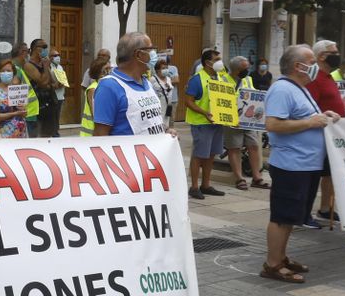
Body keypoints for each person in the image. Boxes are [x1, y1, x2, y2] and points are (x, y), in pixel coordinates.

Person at [261, 44, 339, 283]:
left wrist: (324, 117)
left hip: (305, 164)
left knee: (292, 216)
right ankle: (272, 264)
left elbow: (305, 118)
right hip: (291, 164)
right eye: (311, 61)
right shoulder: (282, 89)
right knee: (282, 216)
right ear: (298, 66)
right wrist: (311, 123)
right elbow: (273, 125)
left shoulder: (299, 88)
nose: (316, 65)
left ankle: (281, 256)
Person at [90, 32, 168, 140]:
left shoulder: (146, 82)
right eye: (150, 50)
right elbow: (100, 136)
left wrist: (166, 131)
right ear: (138, 54)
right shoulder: (109, 87)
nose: (154, 54)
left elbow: (151, 121)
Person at [303, 40, 345, 224]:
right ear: (322, 56)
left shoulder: (329, 77)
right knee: (313, 176)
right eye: (334, 52)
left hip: (333, 134)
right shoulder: (314, 79)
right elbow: (310, 107)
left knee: (330, 174)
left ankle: (325, 208)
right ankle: (304, 212)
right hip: (320, 135)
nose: (337, 55)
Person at [179, 48, 227, 202]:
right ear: (208, 62)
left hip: (217, 123)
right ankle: (194, 187)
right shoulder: (197, 79)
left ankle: (205, 185)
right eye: (217, 59)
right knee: (199, 155)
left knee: (211, 155)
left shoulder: (221, 78)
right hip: (201, 123)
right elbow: (188, 101)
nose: (220, 62)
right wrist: (204, 112)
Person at [222, 56, 267, 190]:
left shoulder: (248, 79)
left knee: (253, 146)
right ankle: (239, 178)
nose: (247, 70)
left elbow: (252, 95)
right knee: (234, 148)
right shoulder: (223, 80)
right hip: (232, 120)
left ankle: (257, 177)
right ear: (235, 69)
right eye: (244, 68)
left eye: (247, 67)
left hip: (248, 120)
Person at [20, 39, 61, 138]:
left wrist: (46, 67)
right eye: (43, 47)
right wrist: (46, 67)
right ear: (35, 49)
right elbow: (42, 82)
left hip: (49, 104)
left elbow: (52, 82)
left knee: (48, 135)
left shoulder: (44, 64)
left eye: (46, 47)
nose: (45, 49)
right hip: (38, 107)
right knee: (38, 136)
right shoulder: (28, 65)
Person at [0, 59, 29, 138]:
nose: (6, 73)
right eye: (3, 71)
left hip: (20, 133)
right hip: (5, 134)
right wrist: (15, 114)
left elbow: (24, 112)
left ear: (13, 73)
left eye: (8, 70)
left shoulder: (18, 90)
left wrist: (23, 110)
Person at [79, 58, 109, 137]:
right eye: (107, 69)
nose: (110, 71)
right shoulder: (93, 89)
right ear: (100, 72)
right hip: (90, 133)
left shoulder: (104, 86)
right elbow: (95, 114)